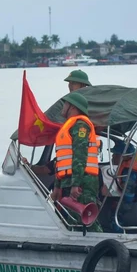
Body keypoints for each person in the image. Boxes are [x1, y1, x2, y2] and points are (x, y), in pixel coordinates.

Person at [50, 92, 100, 223]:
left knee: (86, 222)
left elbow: (80, 156)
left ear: (72, 107)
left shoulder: (80, 126)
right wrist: (57, 187)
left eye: (65, 104)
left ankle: (99, 237)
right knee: (73, 222)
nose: (63, 107)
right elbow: (61, 161)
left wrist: (76, 184)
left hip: (82, 182)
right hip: (70, 181)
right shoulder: (70, 126)